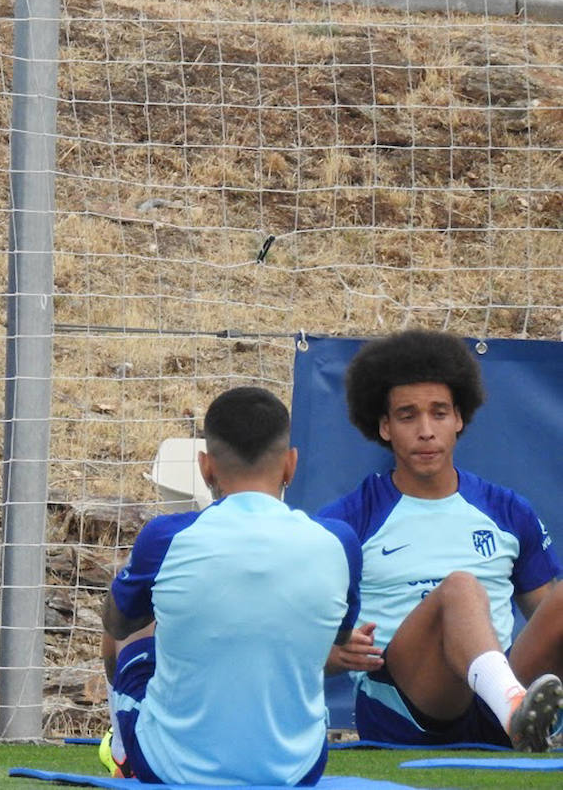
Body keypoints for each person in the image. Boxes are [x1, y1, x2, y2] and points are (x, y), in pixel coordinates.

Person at [102, 387, 361, 786]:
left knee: (130, 624)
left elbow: (119, 626)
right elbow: (341, 637)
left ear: (205, 467)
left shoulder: (166, 537)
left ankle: (124, 751)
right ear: (290, 466)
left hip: (170, 769)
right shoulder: (339, 541)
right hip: (298, 770)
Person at [319, 328, 563, 751]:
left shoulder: (507, 510)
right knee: (461, 589)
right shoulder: (348, 520)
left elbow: (548, 617)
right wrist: (332, 655)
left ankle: (514, 713)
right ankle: (514, 709)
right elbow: (291, 636)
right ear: (384, 427)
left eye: (439, 413)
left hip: (494, 700)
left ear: (459, 419)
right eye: (408, 415)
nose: (426, 431)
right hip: (404, 705)